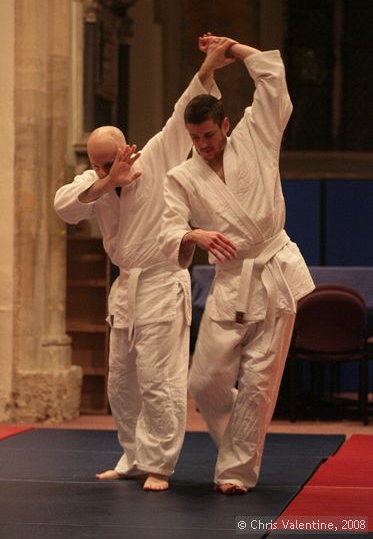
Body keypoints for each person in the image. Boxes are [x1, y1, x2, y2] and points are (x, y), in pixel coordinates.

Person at [54, 38, 235, 491]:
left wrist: (209, 66)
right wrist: (103, 184)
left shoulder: (155, 155)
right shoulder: (94, 181)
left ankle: (160, 463)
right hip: (126, 287)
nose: (103, 169)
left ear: (126, 149)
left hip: (160, 280)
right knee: (122, 381)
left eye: (110, 161)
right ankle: (133, 455)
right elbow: (63, 207)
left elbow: (181, 114)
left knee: (159, 377)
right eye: (96, 164)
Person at [158, 34, 315, 494]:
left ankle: (235, 473)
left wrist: (237, 50)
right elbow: (167, 228)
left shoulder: (255, 137)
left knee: (261, 382)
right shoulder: (182, 177)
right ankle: (238, 445)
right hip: (230, 278)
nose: (203, 145)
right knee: (205, 380)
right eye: (195, 139)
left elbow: (273, 82)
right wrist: (193, 234)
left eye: (208, 135)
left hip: (275, 270)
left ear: (225, 124)